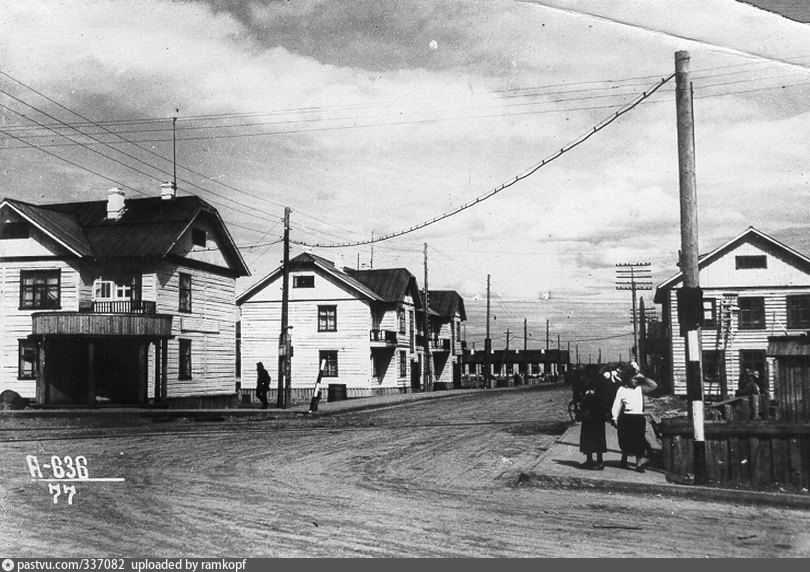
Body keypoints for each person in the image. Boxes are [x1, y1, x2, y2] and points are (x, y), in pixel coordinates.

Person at [611, 361, 657, 473]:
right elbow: (616, 405)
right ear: (627, 379)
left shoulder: (640, 389)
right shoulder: (622, 390)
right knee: (625, 440)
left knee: (639, 441)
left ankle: (638, 464)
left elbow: (654, 385)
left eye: (637, 380)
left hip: (638, 418)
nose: (635, 381)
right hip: (626, 418)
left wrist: (642, 377)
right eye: (633, 379)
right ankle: (624, 460)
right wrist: (614, 418)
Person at [578, 369, 616, 470]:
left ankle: (599, 461)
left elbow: (605, 399)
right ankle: (590, 460)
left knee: (596, 438)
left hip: (596, 415)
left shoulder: (601, 386)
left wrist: (592, 394)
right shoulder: (595, 383)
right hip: (591, 416)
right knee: (589, 438)